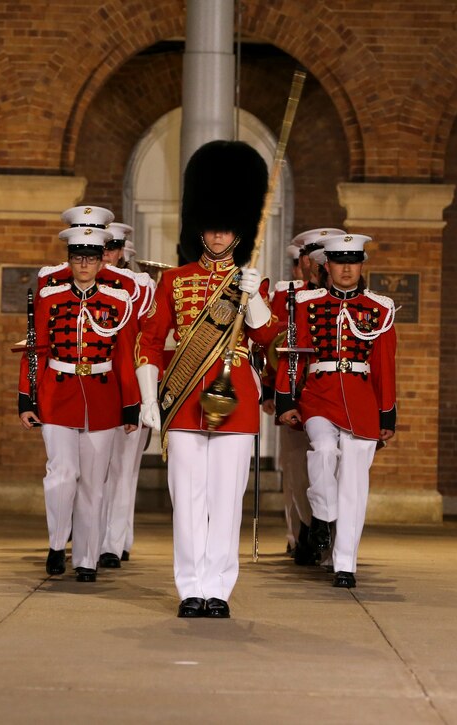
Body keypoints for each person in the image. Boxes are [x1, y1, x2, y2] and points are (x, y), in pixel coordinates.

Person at [135, 140, 274, 618]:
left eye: (225, 229)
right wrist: (150, 397)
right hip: (184, 395)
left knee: (226, 498)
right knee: (187, 498)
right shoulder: (173, 280)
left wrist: (254, 296)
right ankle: (190, 587)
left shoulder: (253, 281)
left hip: (234, 398)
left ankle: (219, 588)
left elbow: (266, 335)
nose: (216, 237)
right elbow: (151, 340)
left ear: (237, 231)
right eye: (211, 228)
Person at [19, 222, 140, 583]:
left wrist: (130, 405)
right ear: (69, 260)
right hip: (57, 392)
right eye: (77, 257)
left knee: (92, 482)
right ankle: (57, 542)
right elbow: (35, 349)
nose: (84, 264)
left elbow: (124, 357)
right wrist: (26, 398)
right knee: (61, 473)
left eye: (90, 258)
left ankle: (86, 558)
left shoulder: (118, 301)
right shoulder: (50, 298)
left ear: (102, 261)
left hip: (102, 398)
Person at [275, 233, 397, 588]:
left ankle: (345, 564)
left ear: (361, 265)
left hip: (362, 400)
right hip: (319, 394)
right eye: (340, 262)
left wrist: (387, 414)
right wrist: (285, 400)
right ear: (326, 266)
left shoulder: (380, 307)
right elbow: (293, 353)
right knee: (324, 451)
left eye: (353, 262)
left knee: (355, 484)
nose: (347, 268)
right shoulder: (306, 303)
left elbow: (385, 365)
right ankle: (324, 517)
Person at [270, 227, 343, 564]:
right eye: (310, 258)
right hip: (298, 394)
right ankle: (304, 530)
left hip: (336, 395)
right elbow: (274, 346)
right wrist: (274, 393)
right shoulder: (288, 297)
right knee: (298, 468)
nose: (316, 265)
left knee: (338, 470)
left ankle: (330, 541)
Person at [97, 220, 155, 569]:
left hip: (129, 384)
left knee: (122, 470)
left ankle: (113, 542)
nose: (108, 254)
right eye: (103, 248)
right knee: (90, 470)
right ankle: (94, 535)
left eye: (113, 248)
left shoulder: (139, 286)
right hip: (92, 385)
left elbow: (148, 340)